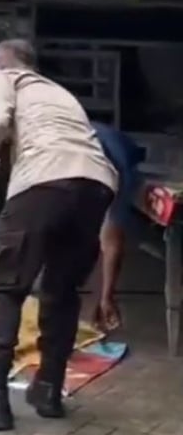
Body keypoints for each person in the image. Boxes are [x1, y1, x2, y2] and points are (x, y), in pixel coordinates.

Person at [0, 39, 116, 432]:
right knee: (61, 291)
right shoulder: (60, 93)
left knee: (6, 288)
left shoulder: (5, 75)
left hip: (44, 181)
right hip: (97, 185)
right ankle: (49, 391)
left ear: (4, 62)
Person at [90, 122, 144, 333]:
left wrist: (106, 297)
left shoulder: (118, 169)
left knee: (109, 231)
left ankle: (102, 300)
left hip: (120, 155)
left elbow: (111, 242)